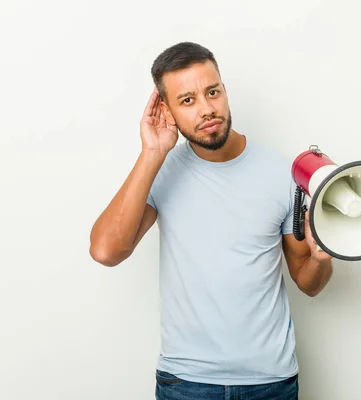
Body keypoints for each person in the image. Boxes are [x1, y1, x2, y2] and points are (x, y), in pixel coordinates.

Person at [89, 41, 334, 400]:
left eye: (212, 92)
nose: (207, 109)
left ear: (224, 91)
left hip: (271, 382)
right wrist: (153, 151)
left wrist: (320, 256)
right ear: (166, 109)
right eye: (187, 100)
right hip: (186, 383)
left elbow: (310, 283)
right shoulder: (161, 172)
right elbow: (106, 250)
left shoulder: (282, 173)